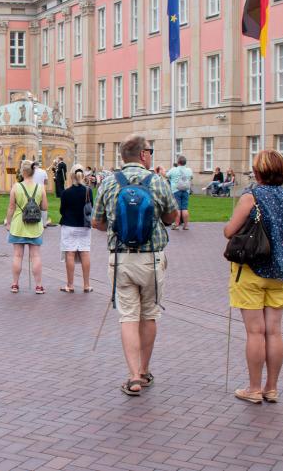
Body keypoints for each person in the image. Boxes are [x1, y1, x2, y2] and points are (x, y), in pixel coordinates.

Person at [90, 134, 178, 397]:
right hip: (152, 257)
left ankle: (133, 377)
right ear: (143, 155)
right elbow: (172, 217)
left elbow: (96, 221)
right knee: (149, 314)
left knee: (128, 317)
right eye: (150, 150)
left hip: (121, 257)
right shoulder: (158, 182)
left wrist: (115, 228)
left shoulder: (108, 182)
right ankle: (145, 369)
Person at [224, 149, 283, 404]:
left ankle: (254, 388)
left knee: (255, 332)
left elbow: (229, 231)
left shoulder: (251, 198)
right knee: (274, 331)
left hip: (251, 270)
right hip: (281, 271)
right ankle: (272, 388)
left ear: (258, 172)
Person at [5, 160, 48, 294]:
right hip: (35, 225)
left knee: (17, 256)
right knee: (36, 256)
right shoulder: (40, 188)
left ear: (22, 172)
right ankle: (39, 286)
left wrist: (8, 222)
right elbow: (45, 207)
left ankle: (15, 284)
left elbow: (11, 207)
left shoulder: (16, 187)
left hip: (18, 224)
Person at [59, 164, 93, 293]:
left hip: (69, 225)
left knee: (70, 254)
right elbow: (91, 207)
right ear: (83, 175)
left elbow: (62, 210)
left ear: (71, 176)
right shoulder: (88, 191)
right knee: (85, 253)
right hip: (84, 225)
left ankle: (70, 284)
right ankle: (86, 285)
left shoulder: (66, 192)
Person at [167, 155, 193, 230]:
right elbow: (191, 177)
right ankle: (186, 225)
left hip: (176, 190)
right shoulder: (189, 170)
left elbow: (167, 175)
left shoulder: (173, 169)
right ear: (185, 162)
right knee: (185, 208)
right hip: (186, 190)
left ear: (178, 162)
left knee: (177, 208)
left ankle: (176, 225)